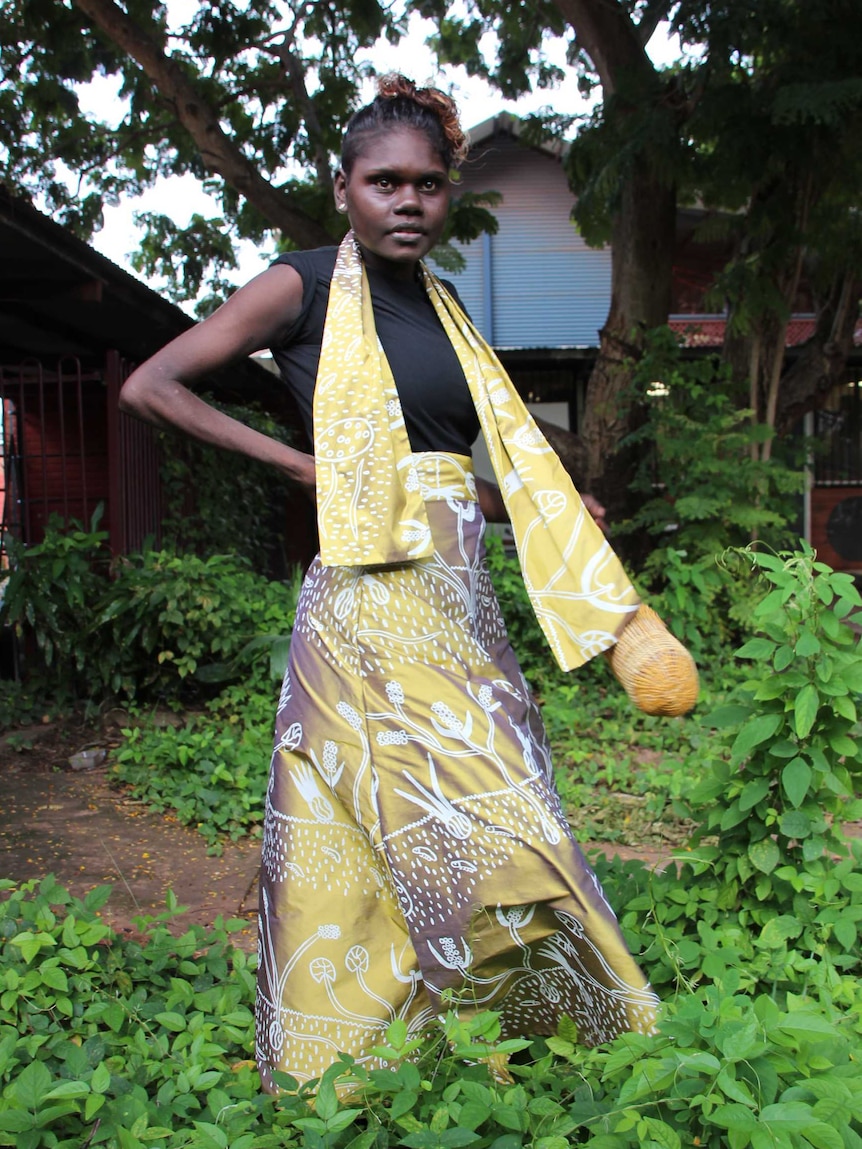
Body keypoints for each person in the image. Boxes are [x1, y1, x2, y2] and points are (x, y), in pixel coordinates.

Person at [119, 74, 668, 1092]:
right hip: (370, 605)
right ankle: (413, 1043)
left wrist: (547, 506)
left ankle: (482, 1037)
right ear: (345, 190)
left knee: (470, 810)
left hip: (458, 601)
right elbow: (151, 386)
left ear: (447, 193)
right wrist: (302, 467)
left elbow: (457, 462)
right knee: (463, 817)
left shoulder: (447, 309)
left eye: (426, 184)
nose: (407, 202)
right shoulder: (305, 286)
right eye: (384, 183)